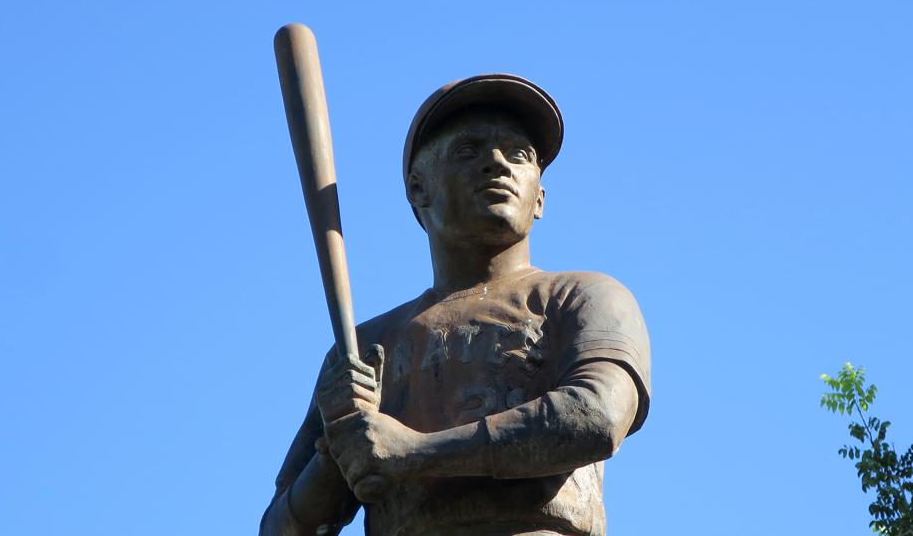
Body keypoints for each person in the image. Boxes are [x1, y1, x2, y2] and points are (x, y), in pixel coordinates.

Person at [261, 74, 652, 536]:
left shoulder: (583, 296)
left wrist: (413, 452)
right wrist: (337, 450)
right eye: (468, 151)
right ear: (418, 190)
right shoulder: (364, 346)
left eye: (518, 154)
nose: (497, 164)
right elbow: (281, 528)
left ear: (540, 197)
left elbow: (597, 416)